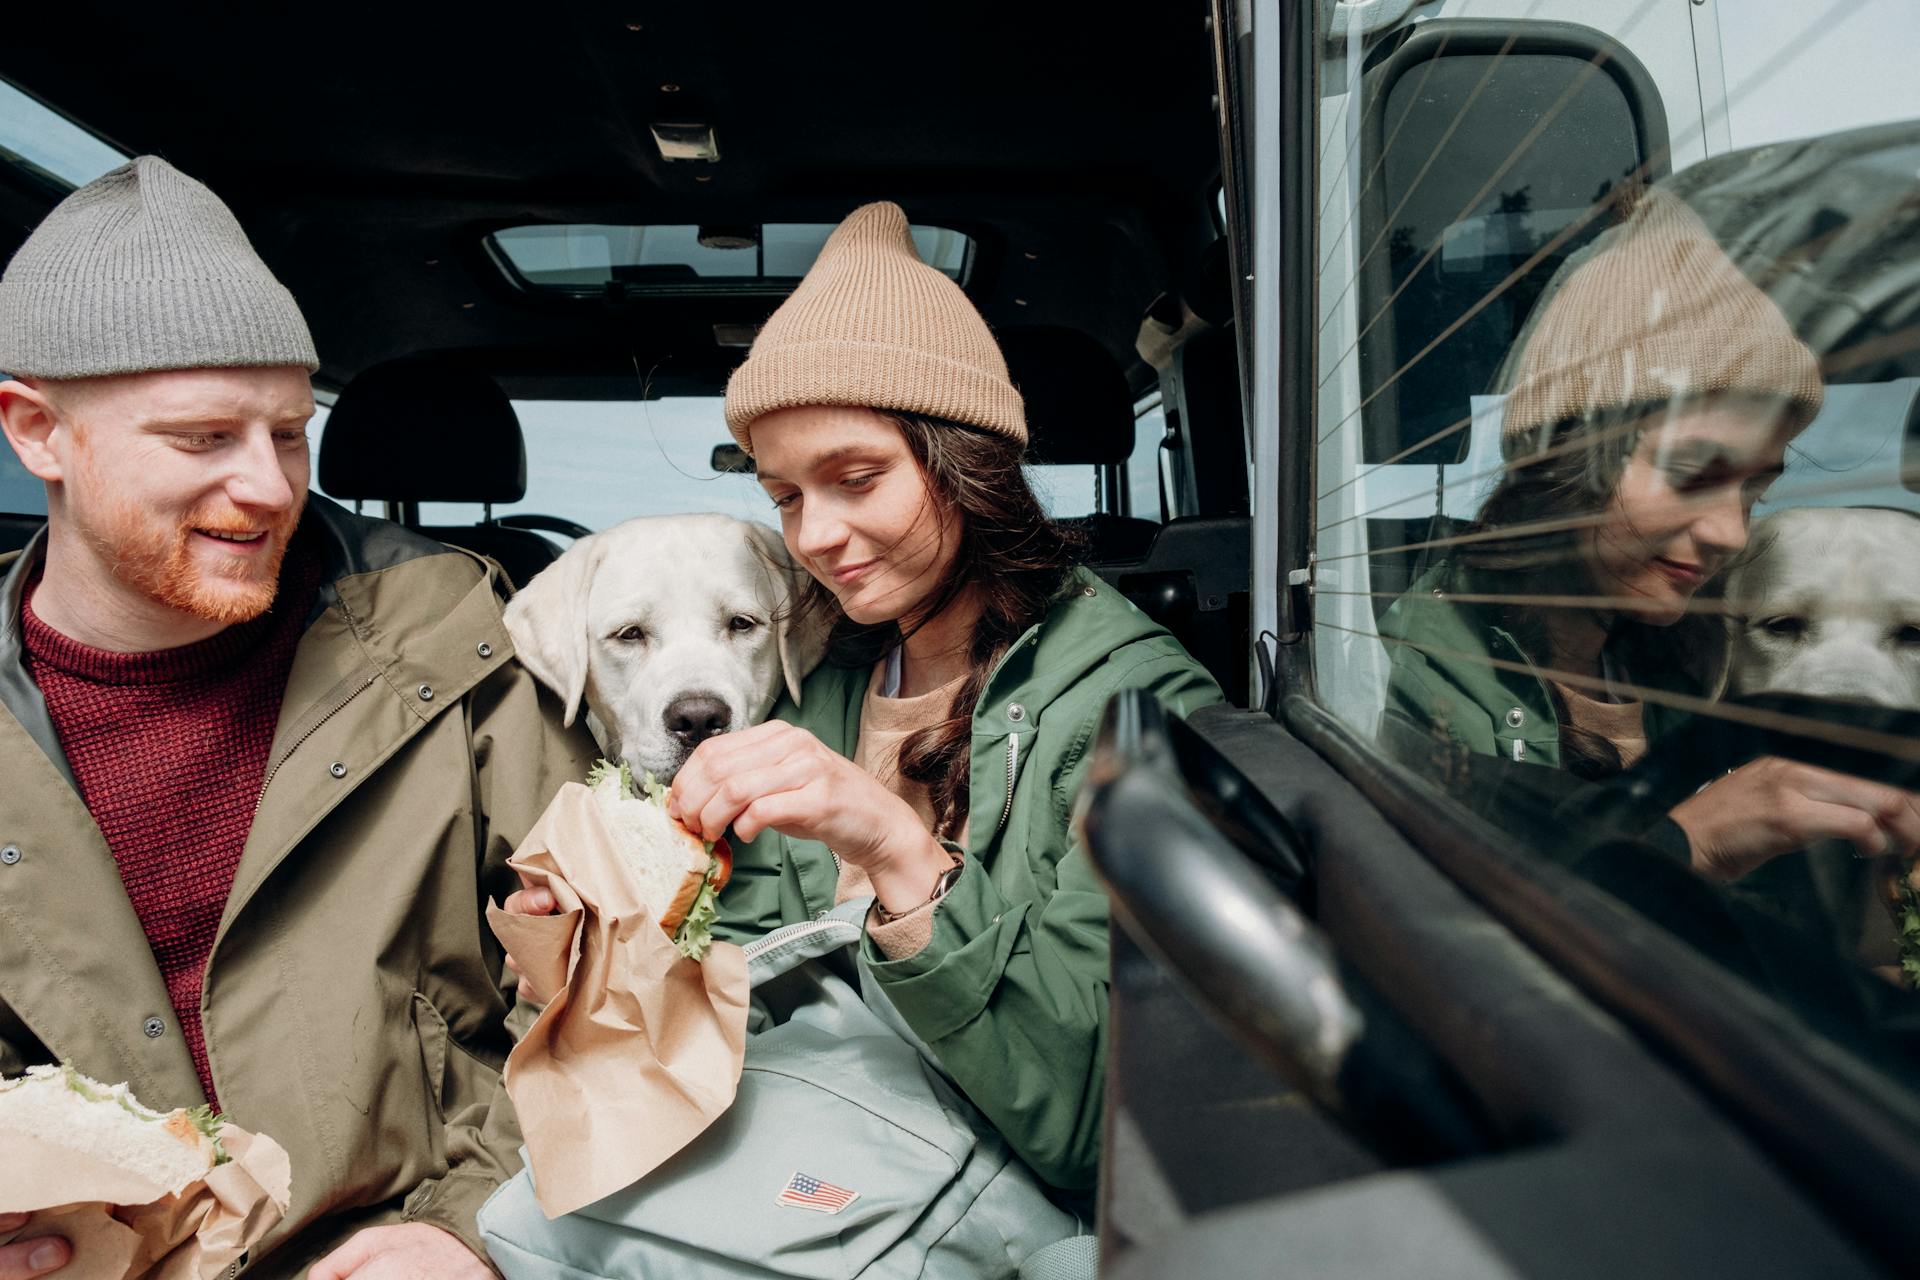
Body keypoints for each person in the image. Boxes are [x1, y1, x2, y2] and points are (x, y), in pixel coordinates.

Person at [511, 201, 1222, 1195]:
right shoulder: (817, 681)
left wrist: (893, 846)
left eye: (857, 477)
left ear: (966, 461)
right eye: (788, 496)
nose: (816, 538)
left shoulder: (1137, 701)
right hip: (793, 1159)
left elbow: (1091, 1118)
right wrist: (594, 946)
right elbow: (738, 989)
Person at [0, 158, 594, 1280]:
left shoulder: (465, 655)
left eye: (287, 432)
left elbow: (619, 988)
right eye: (202, 438)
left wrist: (480, 1226)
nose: (270, 486)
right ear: (38, 433)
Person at [1378, 187, 1920, 885]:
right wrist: (1696, 841)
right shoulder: (1416, 674)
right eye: (1693, 474)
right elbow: (1451, 928)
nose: (1730, 531)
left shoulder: (1677, 652)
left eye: (1756, 487)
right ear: (1565, 461)